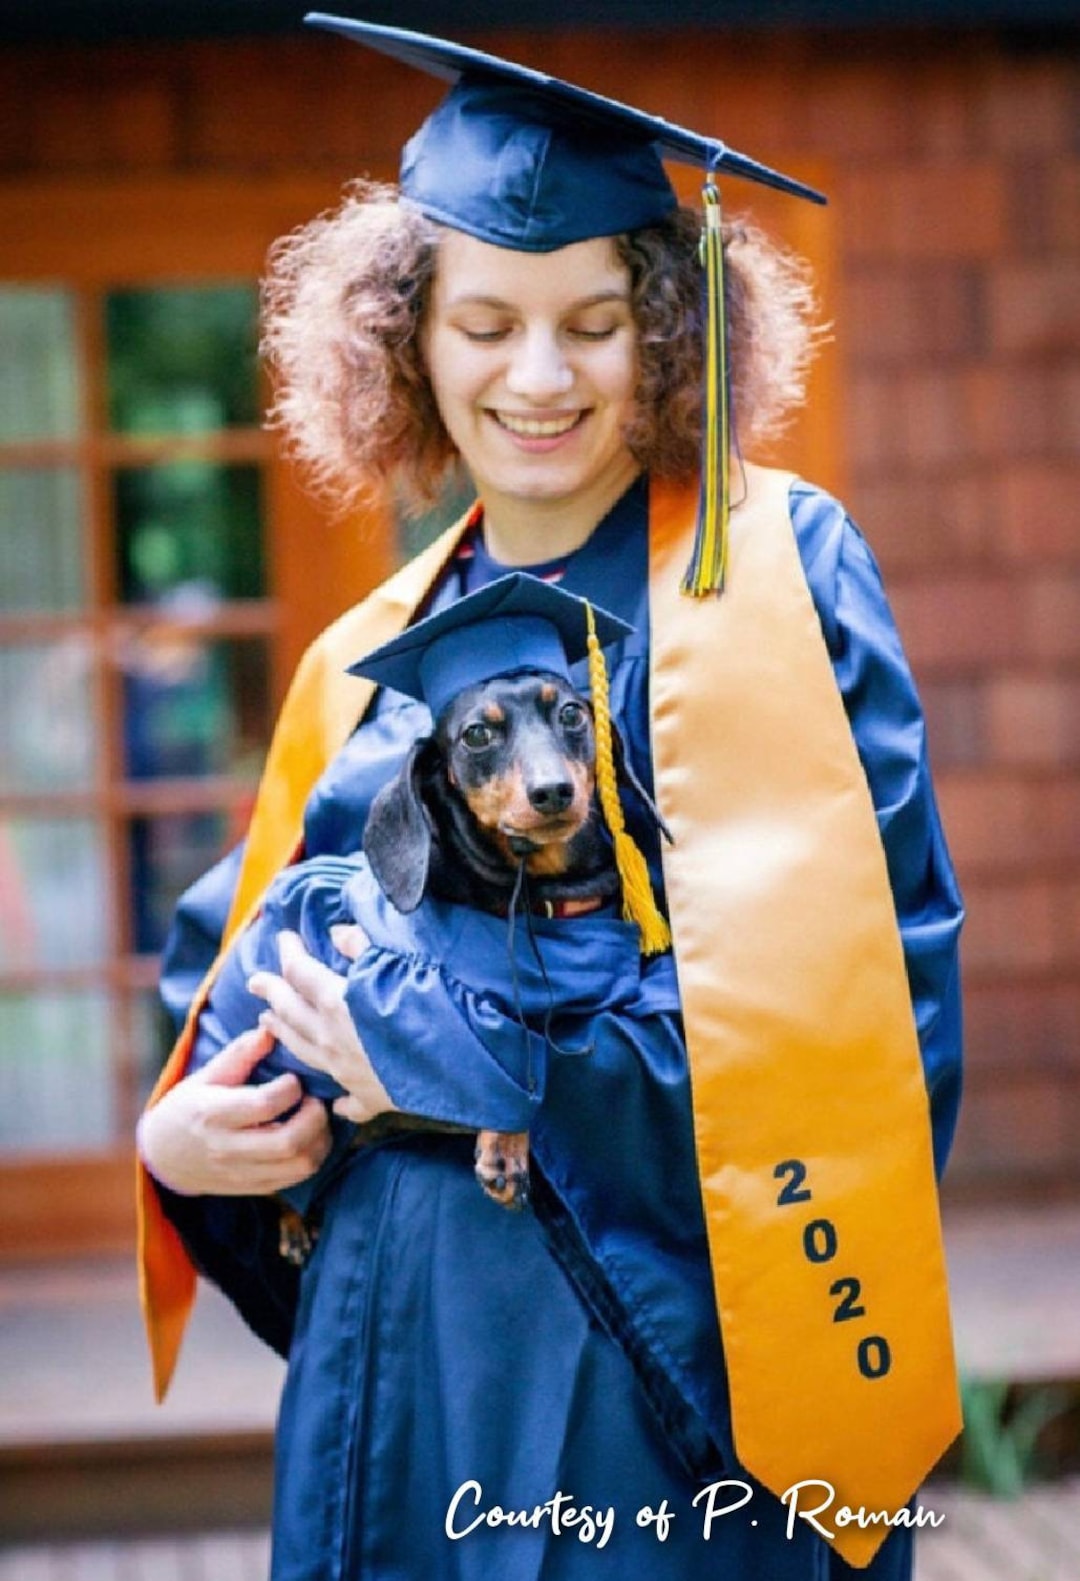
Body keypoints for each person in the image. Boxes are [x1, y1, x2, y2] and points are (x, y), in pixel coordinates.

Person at [136, 18, 964, 1581]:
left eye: (593, 320)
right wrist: (187, 1143)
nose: (538, 375)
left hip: (644, 1385)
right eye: (487, 323)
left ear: (667, 331)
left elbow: (871, 1044)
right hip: (385, 1385)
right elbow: (223, 997)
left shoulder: (775, 579)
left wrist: (458, 1062)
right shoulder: (360, 659)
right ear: (406, 342)